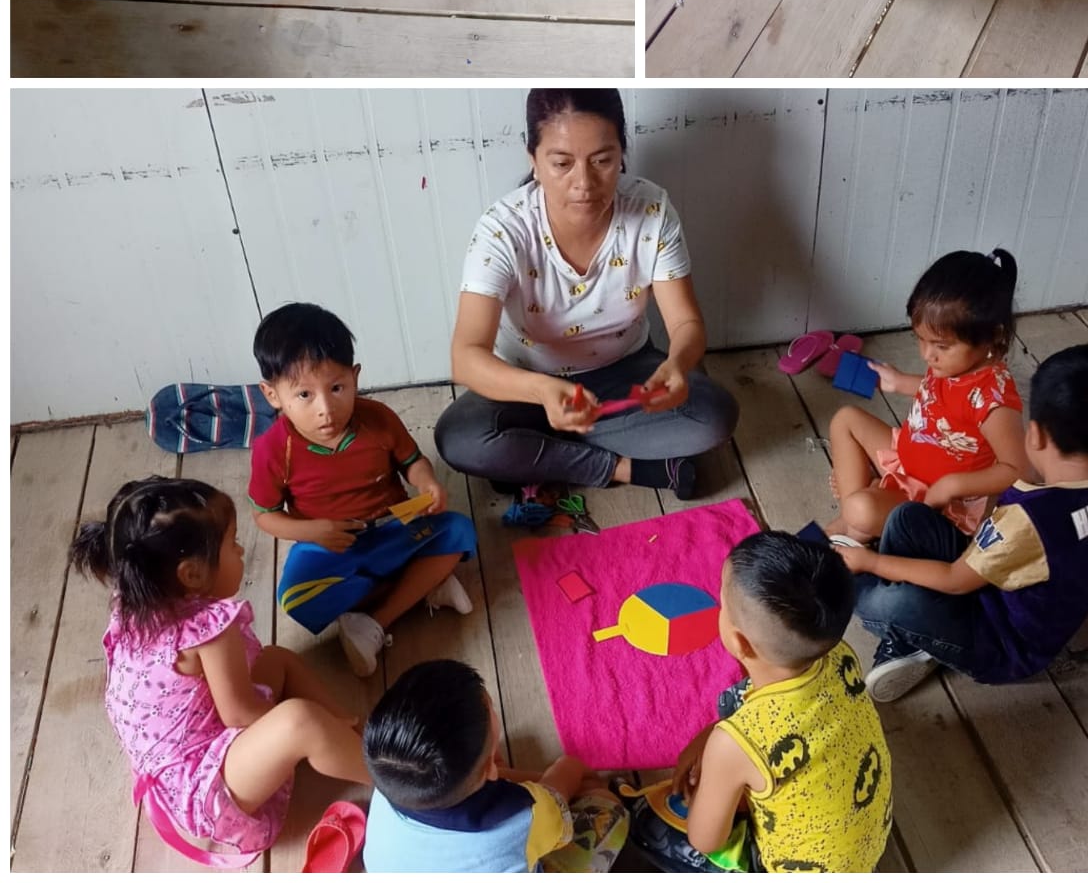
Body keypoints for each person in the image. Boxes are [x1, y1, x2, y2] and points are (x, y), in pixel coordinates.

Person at [435, 88, 740, 498]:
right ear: (534, 161)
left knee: (713, 416)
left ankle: (534, 456)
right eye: (562, 163)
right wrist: (542, 391)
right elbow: (466, 358)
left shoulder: (651, 210)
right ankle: (631, 468)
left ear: (621, 154)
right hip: (528, 384)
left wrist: (678, 364)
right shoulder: (502, 229)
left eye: (602, 160)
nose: (584, 183)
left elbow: (686, 322)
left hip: (625, 373)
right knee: (460, 437)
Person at [70, 476, 369, 867]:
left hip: (173, 769)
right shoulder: (209, 629)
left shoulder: (135, 601)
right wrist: (283, 729)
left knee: (277, 660)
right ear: (191, 574)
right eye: (232, 543)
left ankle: (343, 726)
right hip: (208, 794)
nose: (241, 550)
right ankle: (392, 777)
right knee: (302, 721)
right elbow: (240, 714)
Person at [836, 342, 1088, 703]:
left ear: (1035, 434)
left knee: (884, 600)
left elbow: (955, 582)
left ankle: (913, 640)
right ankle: (923, 636)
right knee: (908, 518)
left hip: (1001, 647)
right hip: (998, 586)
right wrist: (1081, 607)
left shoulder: (1029, 520)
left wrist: (870, 562)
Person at [626, 532, 892, 873]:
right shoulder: (839, 653)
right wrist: (713, 740)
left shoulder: (733, 744)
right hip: (865, 844)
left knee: (647, 822)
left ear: (740, 642)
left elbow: (705, 840)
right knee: (735, 699)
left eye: (722, 604)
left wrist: (718, 770)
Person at [248, 302, 478, 678]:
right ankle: (422, 585)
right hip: (328, 544)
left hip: (393, 525)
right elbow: (265, 516)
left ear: (355, 377)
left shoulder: (377, 419)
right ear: (272, 394)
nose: (326, 409)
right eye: (304, 395)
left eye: (337, 388)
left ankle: (376, 620)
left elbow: (413, 462)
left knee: (459, 530)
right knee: (294, 597)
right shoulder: (273, 449)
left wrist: (427, 483)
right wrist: (313, 531)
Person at [829, 249, 1026, 543]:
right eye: (920, 339)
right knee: (846, 419)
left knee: (860, 509)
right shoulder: (953, 364)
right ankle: (858, 517)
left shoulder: (994, 402)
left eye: (941, 346)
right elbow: (942, 394)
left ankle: (855, 523)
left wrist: (951, 486)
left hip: (937, 503)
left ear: (993, 335)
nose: (926, 354)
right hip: (906, 464)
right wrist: (900, 382)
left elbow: (1017, 470)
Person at [362, 660, 628, 872]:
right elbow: (560, 790)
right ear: (489, 769)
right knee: (607, 806)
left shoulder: (392, 771)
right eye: (488, 704)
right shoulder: (526, 818)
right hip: (525, 833)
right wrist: (573, 767)